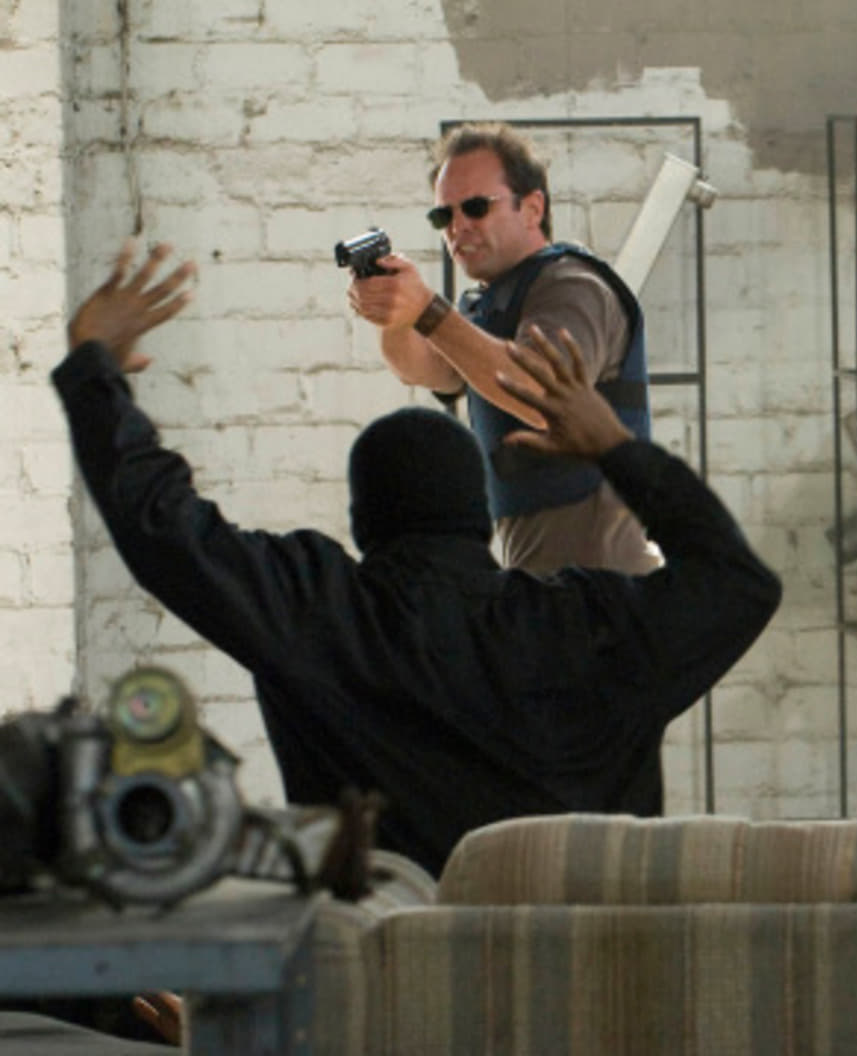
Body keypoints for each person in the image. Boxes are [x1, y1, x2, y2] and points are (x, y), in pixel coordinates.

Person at [57, 242, 781, 876]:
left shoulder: (320, 616)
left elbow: (163, 529)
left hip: (388, 974)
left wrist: (95, 370)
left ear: (361, 522)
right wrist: (614, 446)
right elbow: (738, 584)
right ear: (480, 518)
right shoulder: (589, 628)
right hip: (583, 972)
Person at [348, 121, 661, 575]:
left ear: (532, 208)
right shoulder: (491, 305)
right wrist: (395, 314)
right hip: (545, 572)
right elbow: (422, 369)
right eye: (443, 216)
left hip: (604, 576)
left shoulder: (572, 284)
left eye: (476, 207)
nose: (458, 227)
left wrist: (428, 311)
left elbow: (544, 397)